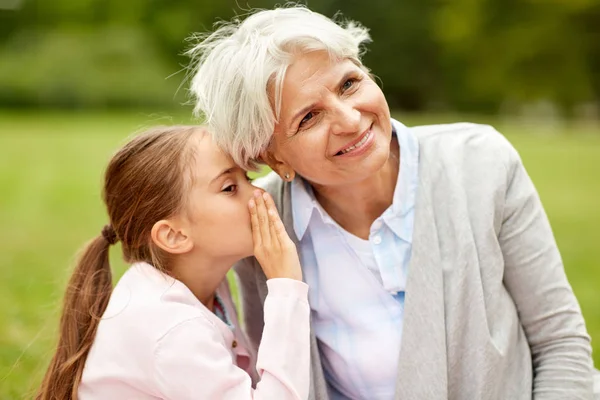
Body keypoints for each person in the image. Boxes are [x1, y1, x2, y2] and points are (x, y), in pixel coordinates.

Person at [188, 5, 599, 400]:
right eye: (309, 117)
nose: (351, 120)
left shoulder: (482, 163)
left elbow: (560, 345)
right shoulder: (263, 227)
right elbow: (278, 380)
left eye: (349, 84)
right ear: (274, 158)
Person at [36, 125, 310, 400]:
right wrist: (286, 287)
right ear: (174, 235)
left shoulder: (200, 285)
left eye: (248, 178)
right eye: (229, 188)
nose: (261, 194)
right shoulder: (172, 329)